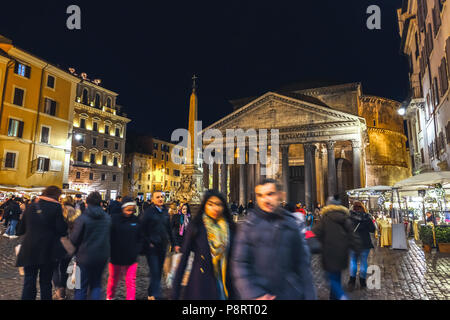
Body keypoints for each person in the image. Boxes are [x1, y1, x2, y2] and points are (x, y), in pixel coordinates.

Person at [232, 179, 316, 300]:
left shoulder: (291, 224)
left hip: (289, 294)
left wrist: (309, 296)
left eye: (270, 194)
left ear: (281, 195)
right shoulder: (248, 226)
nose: (265, 199)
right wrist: (254, 294)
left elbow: (303, 266)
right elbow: (240, 264)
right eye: (260, 195)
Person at [172, 190, 235, 300]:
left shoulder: (230, 228)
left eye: (219, 204)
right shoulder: (196, 227)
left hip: (225, 284)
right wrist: (175, 293)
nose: (215, 208)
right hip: (201, 285)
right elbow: (183, 261)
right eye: (210, 204)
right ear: (205, 205)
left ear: (224, 206)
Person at [16, 186, 68, 300]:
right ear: (56, 196)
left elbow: (20, 230)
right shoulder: (56, 207)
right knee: (45, 283)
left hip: (29, 249)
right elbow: (62, 230)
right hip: (47, 251)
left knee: (29, 282)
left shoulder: (31, 206)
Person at [312, 194, 361, 300]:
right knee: (337, 277)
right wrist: (357, 248)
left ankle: (342, 296)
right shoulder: (345, 218)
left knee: (330, 279)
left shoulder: (325, 219)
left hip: (329, 253)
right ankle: (333, 297)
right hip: (342, 254)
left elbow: (314, 232)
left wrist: (305, 235)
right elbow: (352, 234)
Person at [70, 191, 111, 300]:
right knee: (96, 285)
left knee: (80, 287)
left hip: (83, 257)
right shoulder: (107, 218)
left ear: (87, 203)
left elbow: (74, 239)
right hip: (101, 257)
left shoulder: (82, 218)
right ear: (100, 204)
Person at [140, 191, 174, 300]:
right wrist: (148, 242)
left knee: (158, 272)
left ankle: (151, 292)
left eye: (161, 197)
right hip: (152, 247)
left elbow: (169, 228)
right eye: (157, 197)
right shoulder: (149, 212)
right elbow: (142, 229)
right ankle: (156, 295)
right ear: (153, 200)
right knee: (155, 271)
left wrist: (174, 243)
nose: (160, 199)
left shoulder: (165, 211)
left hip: (162, 247)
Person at [107, 196, 142, 300]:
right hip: (116, 256)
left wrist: (137, 249)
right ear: (122, 208)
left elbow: (140, 237)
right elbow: (109, 235)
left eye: (132, 210)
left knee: (131, 281)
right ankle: (110, 297)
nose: (130, 212)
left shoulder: (136, 221)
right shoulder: (114, 219)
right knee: (113, 280)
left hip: (131, 257)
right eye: (128, 210)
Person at [52, 196, 80, 300]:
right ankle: (63, 291)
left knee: (54, 268)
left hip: (59, 243)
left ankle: (58, 291)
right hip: (70, 244)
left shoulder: (60, 211)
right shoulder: (77, 213)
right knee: (63, 268)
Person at [347, 201, 376, 291]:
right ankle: (362, 282)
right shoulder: (367, 217)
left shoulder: (349, 217)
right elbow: (372, 230)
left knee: (353, 261)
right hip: (365, 243)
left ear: (353, 208)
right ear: (362, 207)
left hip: (353, 243)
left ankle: (352, 281)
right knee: (363, 262)